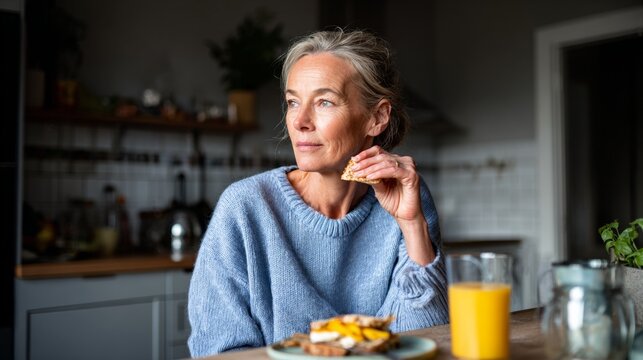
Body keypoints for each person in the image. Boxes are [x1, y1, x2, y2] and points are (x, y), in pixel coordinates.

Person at [187, 28, 449, 357]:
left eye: (324, 102)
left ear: (377, 117)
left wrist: (412, 226)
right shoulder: (245, 208)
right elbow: (219, 352)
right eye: (293, 102)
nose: (300, 121)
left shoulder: (406, 196)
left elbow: (426, 339)